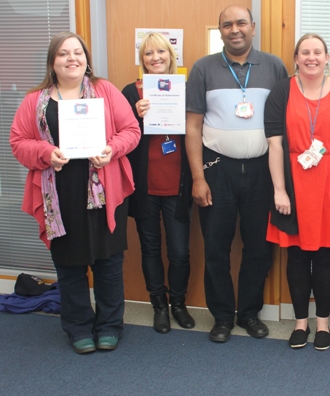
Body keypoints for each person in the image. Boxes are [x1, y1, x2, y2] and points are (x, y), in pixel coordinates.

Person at [10, 31, 140, 354]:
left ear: (86, 59)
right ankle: (79, 326)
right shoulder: (34, 101)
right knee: (69, 267)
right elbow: (17, 142)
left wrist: (111, 149)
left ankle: (110, 325)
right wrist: (44, 152)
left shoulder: (105, 91)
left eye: (77, 52)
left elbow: (131, 131)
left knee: (109, 264)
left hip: (104, 193)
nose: (72, 58)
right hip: (59, 197)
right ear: (52, 63)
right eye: (63, 54)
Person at [185, 6, 288, 343]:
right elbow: (193, 127)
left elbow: (288, 120)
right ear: (220, 31)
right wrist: (198, 177)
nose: (235, 29)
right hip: (217, 171)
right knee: (216, 246)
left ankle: (248, 313)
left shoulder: (274, 66)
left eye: (241, 22)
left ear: (253, 27)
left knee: (259, 247)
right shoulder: (202, 68)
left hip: (263, 170)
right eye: (227, 24)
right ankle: (221, 317)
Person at [264, 33, 330, 350]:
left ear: (327, 57)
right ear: (295, 58)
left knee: (324, 255)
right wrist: (279, 190)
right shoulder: (281, 91)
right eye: (305, 52)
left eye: (317, 52)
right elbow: (274, 144)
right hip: (293, 183)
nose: (311, 57)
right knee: (295, 255)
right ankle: (300, 323)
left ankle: (323, 324)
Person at [122, 32, 194, 334]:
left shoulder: (186, 89)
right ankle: (159, 306)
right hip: (145, 186)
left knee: (179, 251)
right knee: (150, 248)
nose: (155, 58)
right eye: (149, 53)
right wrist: (137, 117)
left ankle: (178, 303)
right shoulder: (130, 92)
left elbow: (196, 131)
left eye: (161, 52)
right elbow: (121, 135)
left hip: (177, 183)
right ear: (142, 59)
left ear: (171, 55)